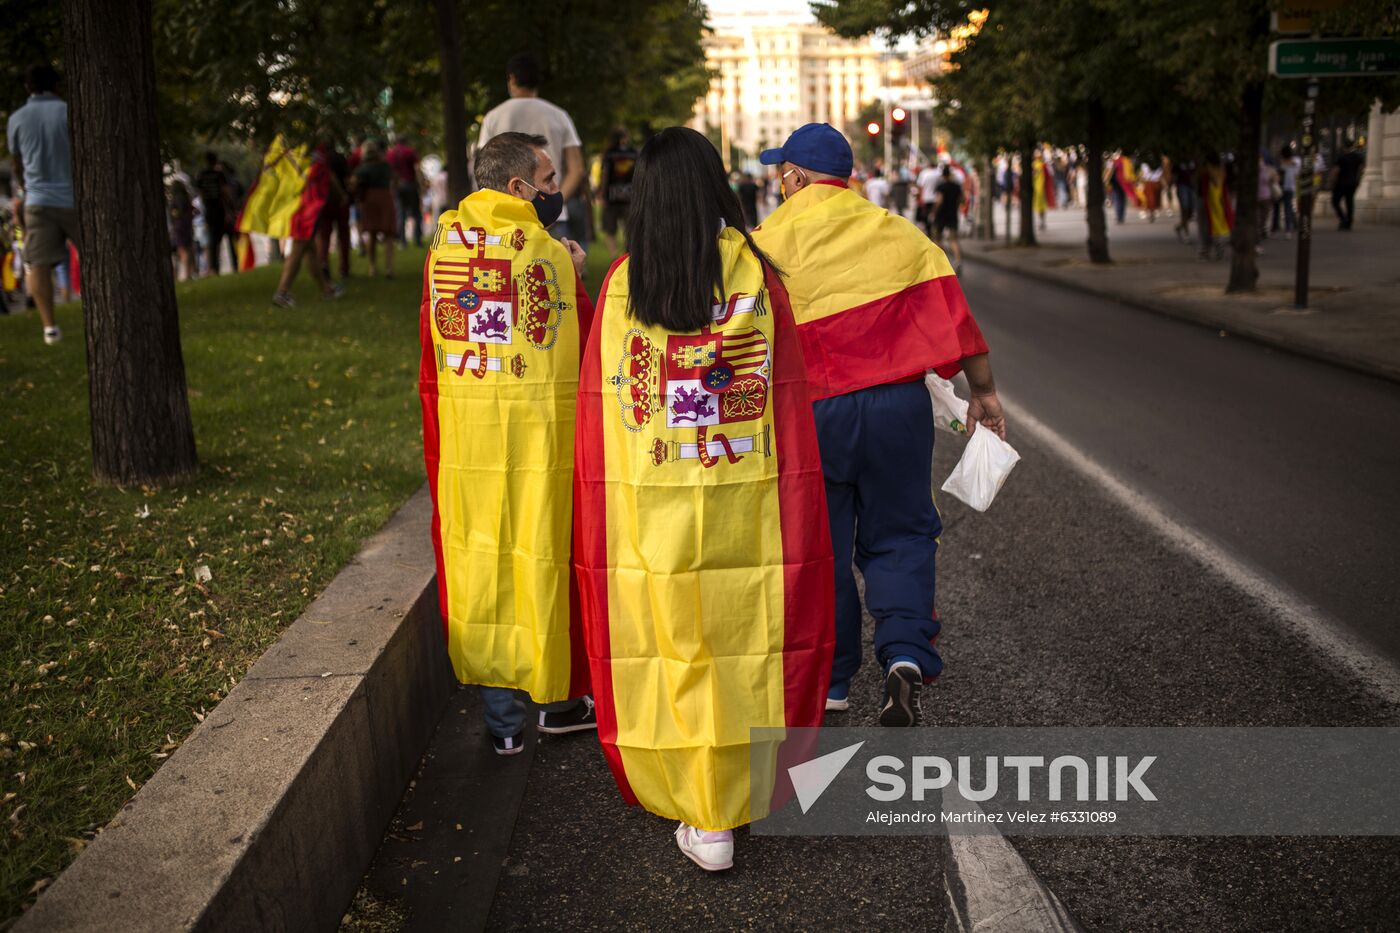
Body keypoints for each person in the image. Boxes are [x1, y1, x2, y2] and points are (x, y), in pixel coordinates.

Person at [575, 126, 833, 871]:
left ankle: (703, 812)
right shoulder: (754, 272)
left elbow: (606, 407)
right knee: (745, 643)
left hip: (652, 510)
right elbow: (787, 392)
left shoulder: (627, 280)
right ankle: (737, 791)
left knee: (674, 651)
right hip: (748, 506)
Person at [753, 123, 1004, 727]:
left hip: (813, 413)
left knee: (823, 546)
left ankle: (833, 680)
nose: (776, 181)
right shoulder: (897, 232)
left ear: (796, 176)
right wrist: (985, 392)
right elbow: (956, 316)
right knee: (902, 533)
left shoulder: (761, 243)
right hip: (897, 406)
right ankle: (906, 658)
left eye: (779, 171)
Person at [422, 132, 595, 757]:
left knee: (482, 564)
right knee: (543, 558)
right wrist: (573, 270)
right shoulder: (546, 251)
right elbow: (584, 332)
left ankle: (502, 726)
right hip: (539, 443)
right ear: (519, 186)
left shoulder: (447, 242)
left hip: (470, 445)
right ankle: (558, 700)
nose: (556, 190)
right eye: (548, 180)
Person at [6, 63, 79, 345]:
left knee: (37, 264)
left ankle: (50, 328)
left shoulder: (17, 118)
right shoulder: (68, 111)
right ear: (57, 85)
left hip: (37, 200)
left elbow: (17, 163)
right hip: (74, 198)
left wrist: (26, 191)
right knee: (95, 256)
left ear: (28, 88)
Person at [478, 55, 585, 244]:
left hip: (505, 221)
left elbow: (483, 170)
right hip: (553, 219)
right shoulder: (559, 116)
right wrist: (555, 203)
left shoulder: (493, 117)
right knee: (557, 271)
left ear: (511, 79)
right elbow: (576, 169)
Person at [271, 140, 346, 307]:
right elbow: (330, 178)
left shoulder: (297, 152)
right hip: (309, 207)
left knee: (310, 249)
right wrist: (341, 195)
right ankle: (282, 292)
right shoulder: (318, 154)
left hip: (300, 205)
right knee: (300, 246)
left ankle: (327, 289)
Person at [350, 140, 397, 277]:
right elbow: (394, 179)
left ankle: (372, 267)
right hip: (385, 197)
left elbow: (353, 184)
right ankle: (389, 268)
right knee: (388, 234)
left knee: (372, 233)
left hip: (369, 198)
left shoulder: (361, 169)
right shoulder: (385, 166)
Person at [596, 126, 637, 256]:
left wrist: (602, 192)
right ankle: (629, 253)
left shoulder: (609, 153)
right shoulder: (633, 152)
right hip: (630, 195)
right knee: (630, 226)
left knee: (610, 228)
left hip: (612, 195)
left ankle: (614, 256)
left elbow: (605, 173)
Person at [317, 138, 352, 280]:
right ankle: (344, 267)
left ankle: (324, 262)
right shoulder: (339, 158)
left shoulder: (318, 161)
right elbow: (347, 179)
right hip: (340, 201)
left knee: (324, 236)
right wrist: (345, 195)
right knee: (343, 235)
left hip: (323, 201)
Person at [195, 152, 232, 276]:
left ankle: (214, 268)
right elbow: (225, 192)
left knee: (212, 240)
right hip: (220, 210)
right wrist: (229, 209)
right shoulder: (219, 175)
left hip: (209, 211)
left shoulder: (201, 176)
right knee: (225, 238)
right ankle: (233, 265)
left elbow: (200, 194)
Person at [387, 134, 423, 248]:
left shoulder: (391, 153)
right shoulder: (410, 151)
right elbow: (417, 168)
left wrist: (392, 187)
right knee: (416, 213)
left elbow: (390, 172)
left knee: (400, 214)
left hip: (398, 186)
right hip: (410, 184)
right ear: (406, 141)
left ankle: (402, 241)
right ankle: (417, 239)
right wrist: (421, 183)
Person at [1198, 151, 1233, 261]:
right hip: (1220, 203)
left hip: (1205, 202)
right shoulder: (1221, 171)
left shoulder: (1204, 172)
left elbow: (1197, 184)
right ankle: (1218, 249)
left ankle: (1205, 252)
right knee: (1217, 226)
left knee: (1204, 228)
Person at [931, 165, 964, 273]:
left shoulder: (941, 186)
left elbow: (939, 200)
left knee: (936, 239)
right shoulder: (956, 186)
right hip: (952, 215)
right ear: (949, 174)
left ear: (942, 175)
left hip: (941, 215)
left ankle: (943, 260)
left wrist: (933, 212)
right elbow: (961, 199)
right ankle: (958, 261)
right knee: (954, 240)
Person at [167, 174, 197, 282]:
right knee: (188, 249)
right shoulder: (186, 198)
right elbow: (195, 211)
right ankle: (191, 272)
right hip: (187, 226)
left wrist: (176, 214)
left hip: (179, 227)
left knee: (182, 250)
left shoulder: (176, 199)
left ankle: (186, 274)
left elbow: (175, 212)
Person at [1331, 140, 1364, 231]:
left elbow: (1336, 171)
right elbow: (1361, 170)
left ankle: (1343, 218)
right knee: (1349, 202)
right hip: (1352, 182)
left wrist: (1332, 182)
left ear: (1344, 146)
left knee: (1335, 201)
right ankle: (1349, 222)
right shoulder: (1358, 157)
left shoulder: (1341, 157)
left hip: (1341, 183)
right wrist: (1358, 180)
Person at [1273, 144, 1299, 237]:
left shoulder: (1280, 163)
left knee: (1276, 208)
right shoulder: (1295, 162)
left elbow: (1276, 175)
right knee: (1288, 208)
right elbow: (1297, 174)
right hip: (1290, 188)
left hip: (1279, 188)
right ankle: (1288, 229)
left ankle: (1275, 226)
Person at [1173, 158, 1197, 244]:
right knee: (1185, 210)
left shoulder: (1194, 160)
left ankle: (1179, 227)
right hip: (1182, 186)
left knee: (1191, 213)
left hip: (1192, 187)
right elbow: (1174, 174)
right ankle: (1187, 234)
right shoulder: (1178, 161)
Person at [915, 161, 940, 235]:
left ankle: (929, 232)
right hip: (936, 198)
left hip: (926, 198)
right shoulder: (938, 173)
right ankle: (934, 231)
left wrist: (919, 198)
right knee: (935, 215)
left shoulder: (924, 173)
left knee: (926, 216)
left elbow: (920, 187)